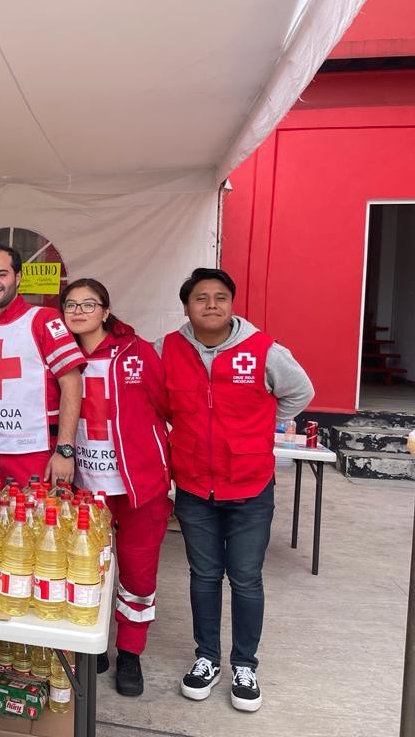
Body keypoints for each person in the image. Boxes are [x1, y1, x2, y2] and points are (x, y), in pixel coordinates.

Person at [158, 267, 313, 712]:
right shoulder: (167, 348)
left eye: (220, 297)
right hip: (192, 487)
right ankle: (206, 658)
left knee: (246, 579)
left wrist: (258, 425)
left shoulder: (264, 350)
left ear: (232, 303)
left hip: (249, 487)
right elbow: (158, 399)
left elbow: (299, 394)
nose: (211, 305)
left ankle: (245, 664)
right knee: (204, 577)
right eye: (201, 297)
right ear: (187, 306)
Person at [61, 278, 171, 697]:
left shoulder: (137, 353)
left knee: (138, 572)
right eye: (71, 304)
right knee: (86, 570)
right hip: (84, 488)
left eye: (89, 304)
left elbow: (165, 407)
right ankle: (95, 645)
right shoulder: (58, 355)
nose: (80, 311)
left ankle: (131, 652)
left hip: (138, 485)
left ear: (106, 311)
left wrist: (160, 463)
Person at [0, 244, 85, 485]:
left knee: (37, 522)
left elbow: (72, 382)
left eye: (1, 274)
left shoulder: (43, 320)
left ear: (18, 277)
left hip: (35, 451)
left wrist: (65, 450)